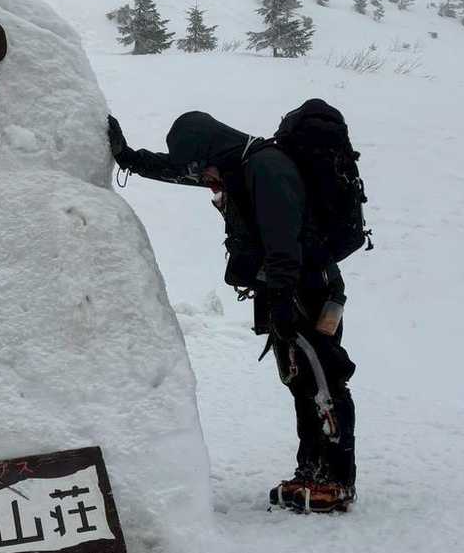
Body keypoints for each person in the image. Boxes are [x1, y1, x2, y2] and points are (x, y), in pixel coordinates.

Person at [107, 110, 357, 513]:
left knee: (324, 378)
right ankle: (311, 471)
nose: (203, 180)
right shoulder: (232, 164)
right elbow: (178, 171)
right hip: (286, 288)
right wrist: (130, 158)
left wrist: (280, 301)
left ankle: (338, 480)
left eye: (200, 169)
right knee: (300, 381)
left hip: (306, 288)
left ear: (209, 149)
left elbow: (283, 243)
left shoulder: (266, 168)